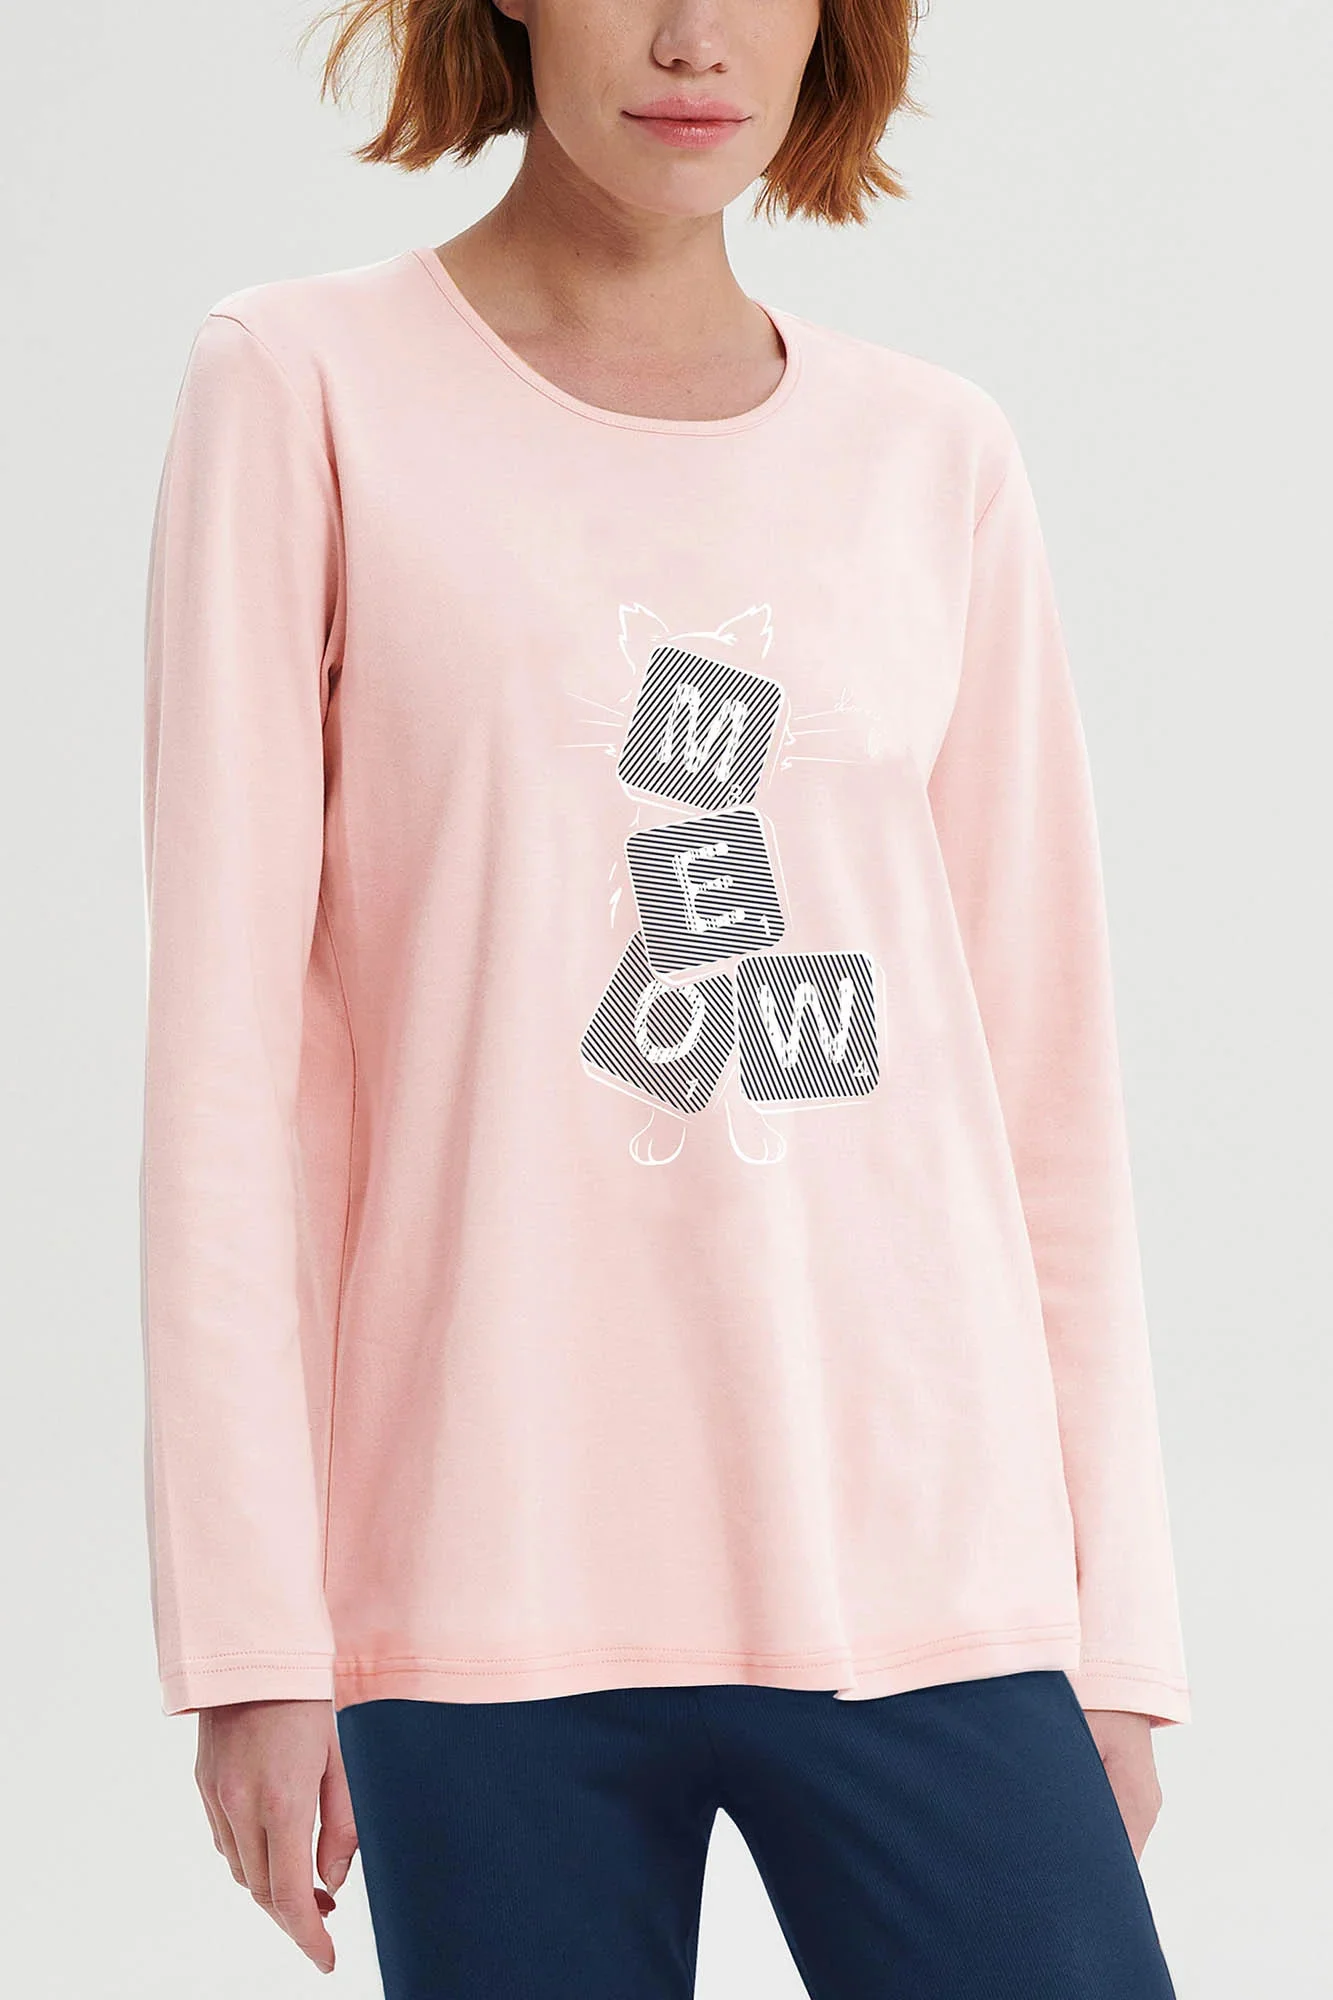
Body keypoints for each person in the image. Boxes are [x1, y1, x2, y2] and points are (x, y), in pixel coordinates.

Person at [138, 0, 1192, 1991]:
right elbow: (225, 1065)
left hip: (926, 1566)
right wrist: (251, 1639)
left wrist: (1112, 1623)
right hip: (481, 1572)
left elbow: (1045, 1078)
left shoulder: (934, 456)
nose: (696, 37)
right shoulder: (304, 385)